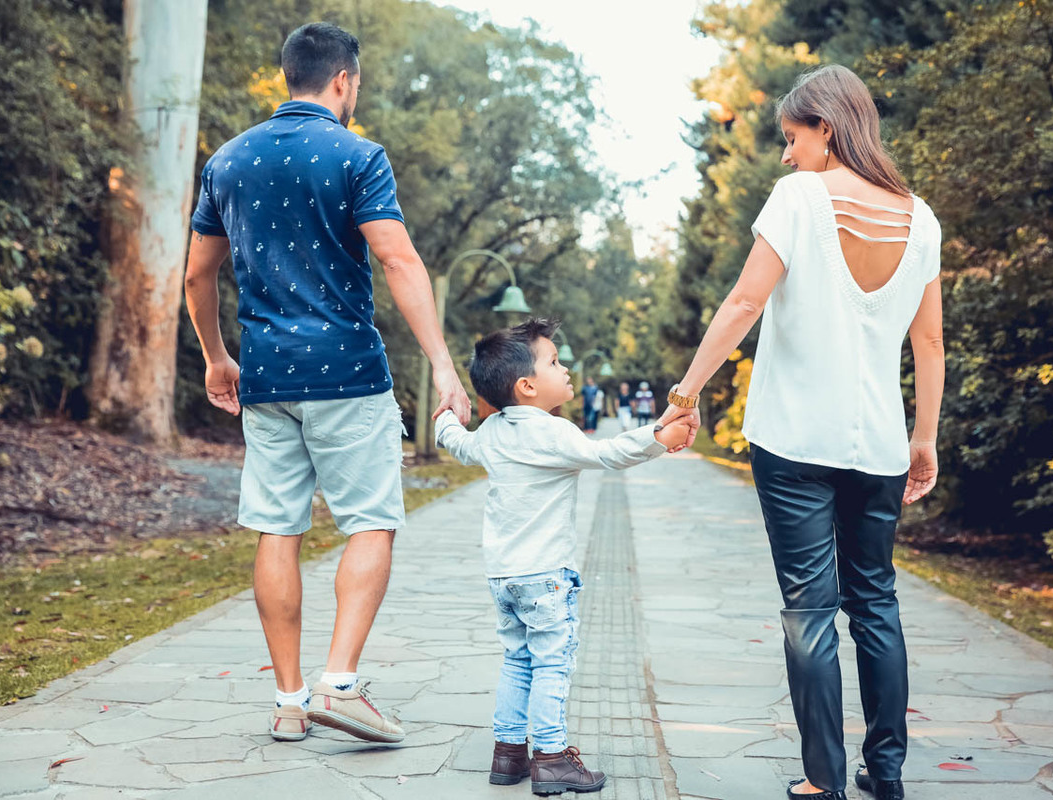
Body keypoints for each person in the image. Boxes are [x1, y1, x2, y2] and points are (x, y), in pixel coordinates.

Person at [658, 65, 943, 800]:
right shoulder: (921, 218)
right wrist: (923, 439)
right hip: (880, 446)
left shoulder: (799, 198)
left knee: (810, 610)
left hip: (792, 440)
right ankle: (886, 774)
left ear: (828, 127)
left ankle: (824, 781)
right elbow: (930, 343)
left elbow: (744, 302)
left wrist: (686, 394)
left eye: (792, 137)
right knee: (875, 602)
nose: (787, 155)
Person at [183, 22, 471, 745]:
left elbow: (196, 275)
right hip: (348, 375)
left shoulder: (227, 160)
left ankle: (288, 702)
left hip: (265, 377)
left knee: (277, 529)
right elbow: (397, 261)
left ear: (290, 75)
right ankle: (337, 686)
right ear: (343, 80)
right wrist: (441, 361)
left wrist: (216, 357)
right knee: (370, 522)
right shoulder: (357, 155)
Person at [434, 319, 689, 795]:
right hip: (546, 576)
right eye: (553, 362)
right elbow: (609, 453)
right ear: (527, 386)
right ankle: (551, 758)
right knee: (552, 664)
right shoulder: (554, 432)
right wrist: (660, 437)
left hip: (503, 577)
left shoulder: (491, 432)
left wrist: (447, 414)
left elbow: (459, 444)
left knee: (517, 661)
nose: (565, 367)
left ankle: (508, 753)